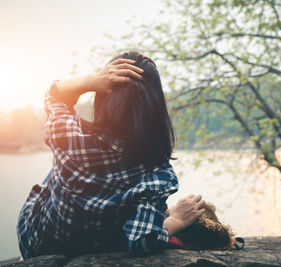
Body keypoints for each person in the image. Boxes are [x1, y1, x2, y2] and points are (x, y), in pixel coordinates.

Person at [17, 51, 206, 259]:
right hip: (96, 248)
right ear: (155, 108)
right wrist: (176, 220)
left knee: (60, 168)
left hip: (38, 244)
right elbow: (142, 240)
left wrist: (91, 81)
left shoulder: (68, 135)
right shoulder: (158, 174)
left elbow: (53, 95)